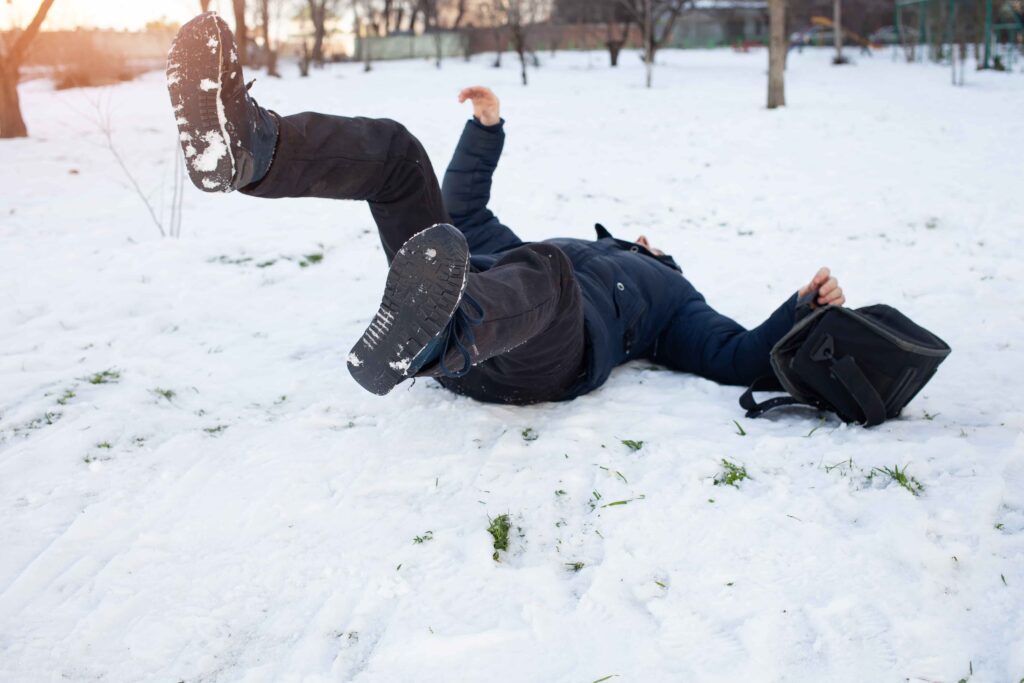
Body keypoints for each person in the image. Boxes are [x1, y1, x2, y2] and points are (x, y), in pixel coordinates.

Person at [166, 13, 846, 406]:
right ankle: (251, 149)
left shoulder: (675, 305)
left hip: (535, 353)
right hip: (485, 311)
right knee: (401, 155)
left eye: (652, 245)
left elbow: (740, 357)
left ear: (662, 255)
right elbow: (466, 213)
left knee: (545, 272)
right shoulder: (566, 250)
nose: (645, 241)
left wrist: (802, 309)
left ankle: (439, 327)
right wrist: (485, 131)